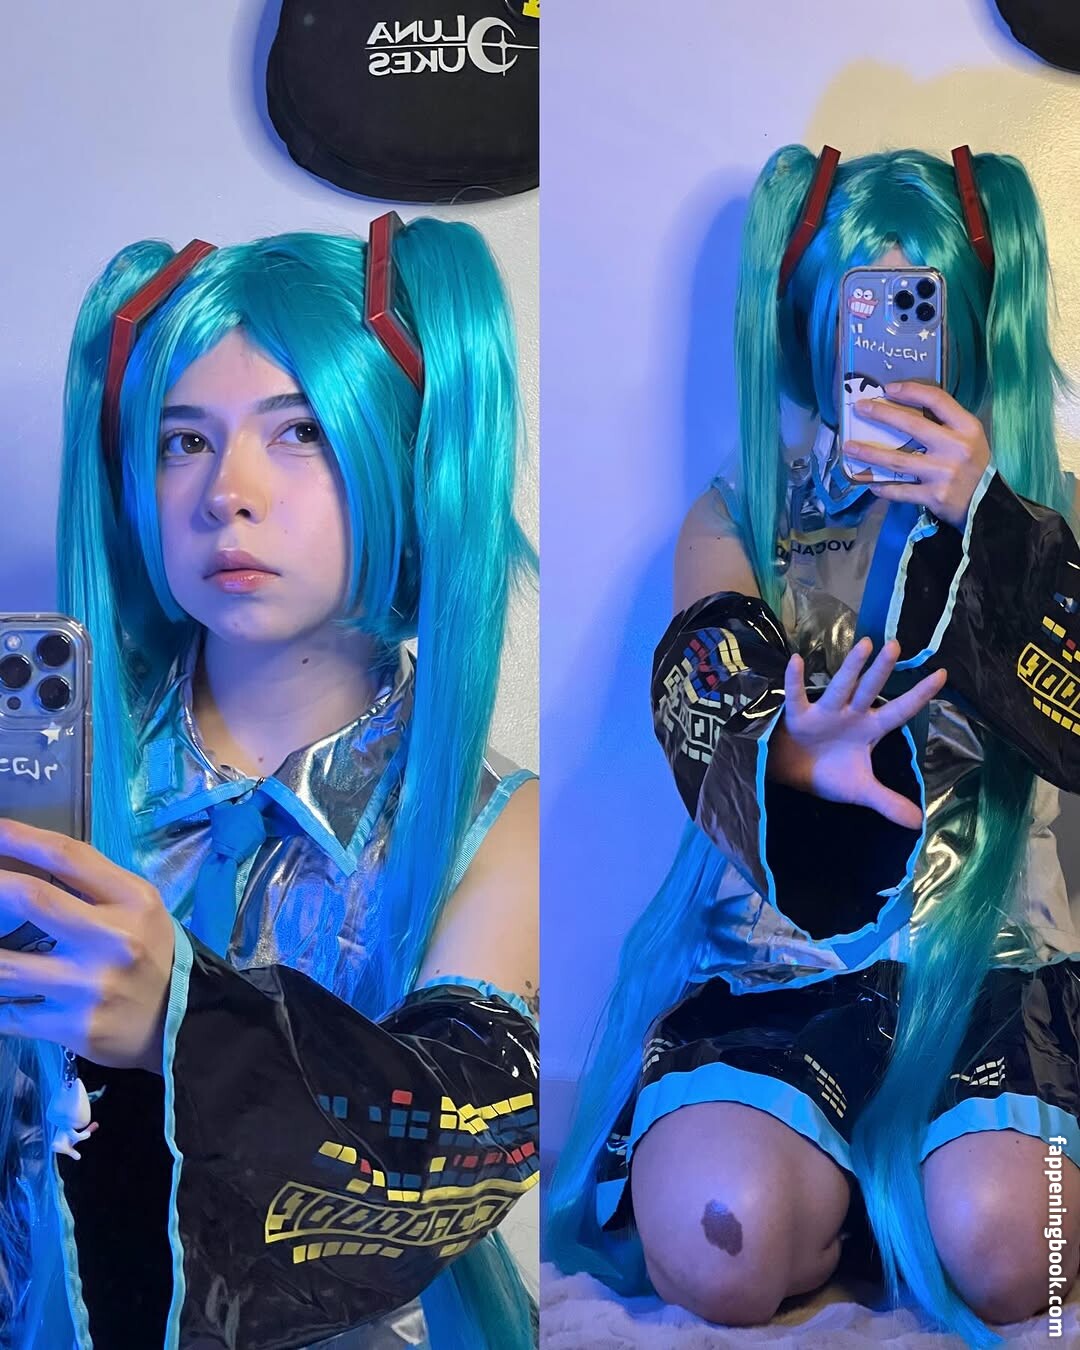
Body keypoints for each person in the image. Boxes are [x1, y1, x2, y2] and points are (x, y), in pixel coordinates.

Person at [546, 145, 1080, 1346]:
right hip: (777, 967)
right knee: (717, 1243)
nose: (887, 344)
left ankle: (921, 1186)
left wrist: (988, 520)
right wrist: (795, 756)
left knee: (1022, 1254)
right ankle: (849, 1192)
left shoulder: (1051, 518)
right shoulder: (744, 509)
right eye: (862, 308)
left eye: (915, 307)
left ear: (969, 327)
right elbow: (704, 671)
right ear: (807, 322)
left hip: (989, 962)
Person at [0, 217, 539, 1350]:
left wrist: (188, 1025)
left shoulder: (496, 828)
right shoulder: (42, 768)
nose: (225, 493)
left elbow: (467, 1143)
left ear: (405, 463)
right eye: (182, 440)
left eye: (299, 432)